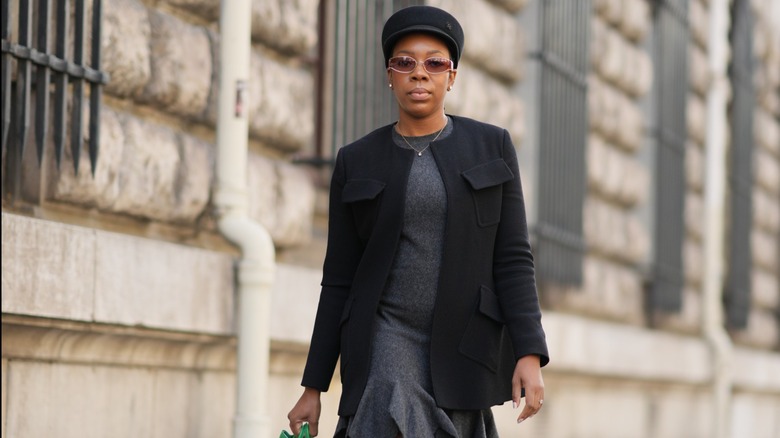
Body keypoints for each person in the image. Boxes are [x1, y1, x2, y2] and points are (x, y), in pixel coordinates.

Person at [288, 5, 549, 437]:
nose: (420, 74)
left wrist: (530, 352)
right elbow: (338, 280)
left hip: (463, 344)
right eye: (405, 63)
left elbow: (513, 259)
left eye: (435, 63)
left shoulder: (492, 147)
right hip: (384, 337)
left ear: (452, 76)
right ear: (390, 75)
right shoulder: (356, 160)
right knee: (392, 400)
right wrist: (313, 386)